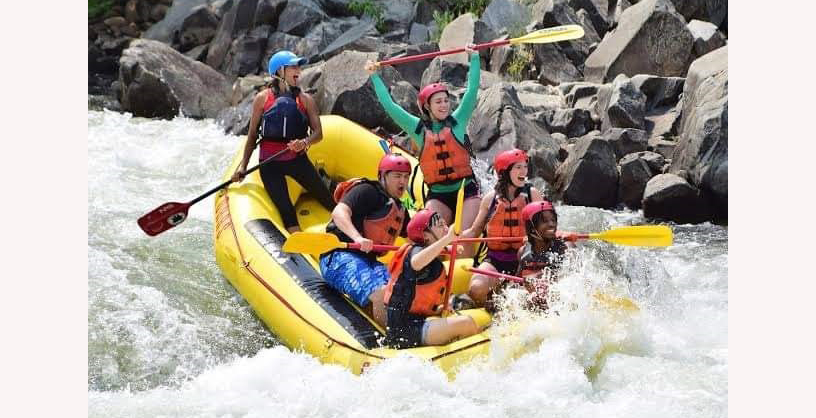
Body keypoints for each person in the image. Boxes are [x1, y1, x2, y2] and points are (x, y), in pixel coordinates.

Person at [364, 45, 482, 256]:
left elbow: (472, 90)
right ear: (427, 106)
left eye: (446, 100)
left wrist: (474, 58)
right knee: (425, 237)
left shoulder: (458, 121)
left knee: (463, 243)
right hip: (438, 194)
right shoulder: (418, 129)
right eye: (438, 102)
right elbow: (390, 106)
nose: (444, 105)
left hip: (467, 191)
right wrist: (374, 76)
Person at [231, 50, 335, 233]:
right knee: (287, 212)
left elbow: (318, 134)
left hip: (297, 161)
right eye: (293, 67)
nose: (299, 71)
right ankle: (299, 244)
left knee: (328, 201)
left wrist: (304, 142)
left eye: (299, 67)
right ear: (280, 71)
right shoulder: (262, 99)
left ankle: (349, 230)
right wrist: (243, 167)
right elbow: (252, 135)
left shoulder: (305, 100)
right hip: (269, 165)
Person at [320, 154, 413, 327]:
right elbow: (339, 212)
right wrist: (358, 238)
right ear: (383, 176)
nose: (403, 181)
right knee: (382, 293)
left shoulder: (400, 209)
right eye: (397, 176)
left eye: (406, 177)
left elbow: (415, 238)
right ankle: (394, 336)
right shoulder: (367, 191)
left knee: (399, 291)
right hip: (338, 256)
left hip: (369, 262)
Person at [454, 149, 544, 309]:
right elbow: (474, 231)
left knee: (535, 297)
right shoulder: (490, 199)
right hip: (495, 260)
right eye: (518, 167)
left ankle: (507, 297)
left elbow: (545, 230)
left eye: (525, 167)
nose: (524, 171)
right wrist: (455, 238)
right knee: (476, 288)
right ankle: (491, 302)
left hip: (525, 261)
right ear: (504, 172)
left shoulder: (532, 195)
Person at [383, 209, 481, 349]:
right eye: (440, 225)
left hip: (414, 322)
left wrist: (437, 309)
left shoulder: (429, 255)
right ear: (426, 235)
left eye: (445, 224)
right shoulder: (416, 252)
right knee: (467, 323)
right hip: (405, 330)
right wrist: (448, 239)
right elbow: (416, 262)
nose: (446, 228)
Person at [516, 201, 571, 310]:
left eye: (553, 220)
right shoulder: (523, 252)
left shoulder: (565, 247)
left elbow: (573, 277)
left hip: (558, 303)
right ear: (532, 227)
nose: (551, 224)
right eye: (545, 221)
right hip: (535, 301)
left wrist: (537, 279)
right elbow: (517, 283)